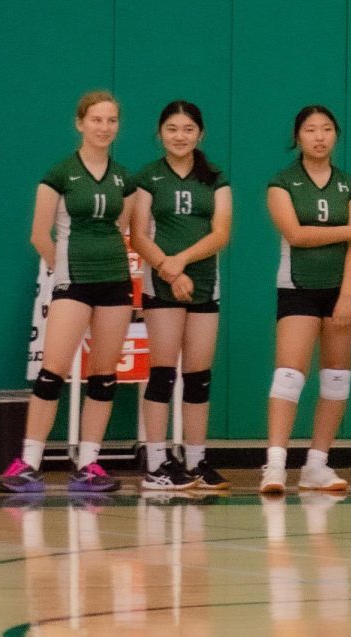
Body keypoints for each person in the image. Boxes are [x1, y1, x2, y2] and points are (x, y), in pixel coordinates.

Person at [0, 91, 135, 494]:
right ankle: (28, 462)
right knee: (51, 372)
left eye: (111, 121)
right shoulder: (58, 175)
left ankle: (89, 464)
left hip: (115, 283)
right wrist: (64, 272)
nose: (104, 128)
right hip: (73, 284)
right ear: (80, 123)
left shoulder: (124, 179)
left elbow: (122, 230)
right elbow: (40, 235)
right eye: (96, 120)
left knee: (104, 377)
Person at [260, 105, 351, 495]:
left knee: (337, 379)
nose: (319, 136)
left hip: (343, 292)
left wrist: (345, 297)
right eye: (311, 129)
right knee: (289, 375)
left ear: (336, 136)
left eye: (326, 129)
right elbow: (296, 234)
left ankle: (317, 465)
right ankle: (274, 465)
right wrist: (348, 230)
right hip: (299, 288)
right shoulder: (281, 183)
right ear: (298, 136)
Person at [130, 101, 232, 490]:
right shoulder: (148, 179)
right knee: (162, 373)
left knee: (198, 376)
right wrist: (168, 269)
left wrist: (182, 263)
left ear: (200, 134)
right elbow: (139, 234)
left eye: (188, 129)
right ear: (160, 133)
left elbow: (221, 232)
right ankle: (156, 461)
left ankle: (196, 459)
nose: (180, 135)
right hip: (162, 285)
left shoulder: (216, 179)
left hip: (204, 282)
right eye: (172, 128)